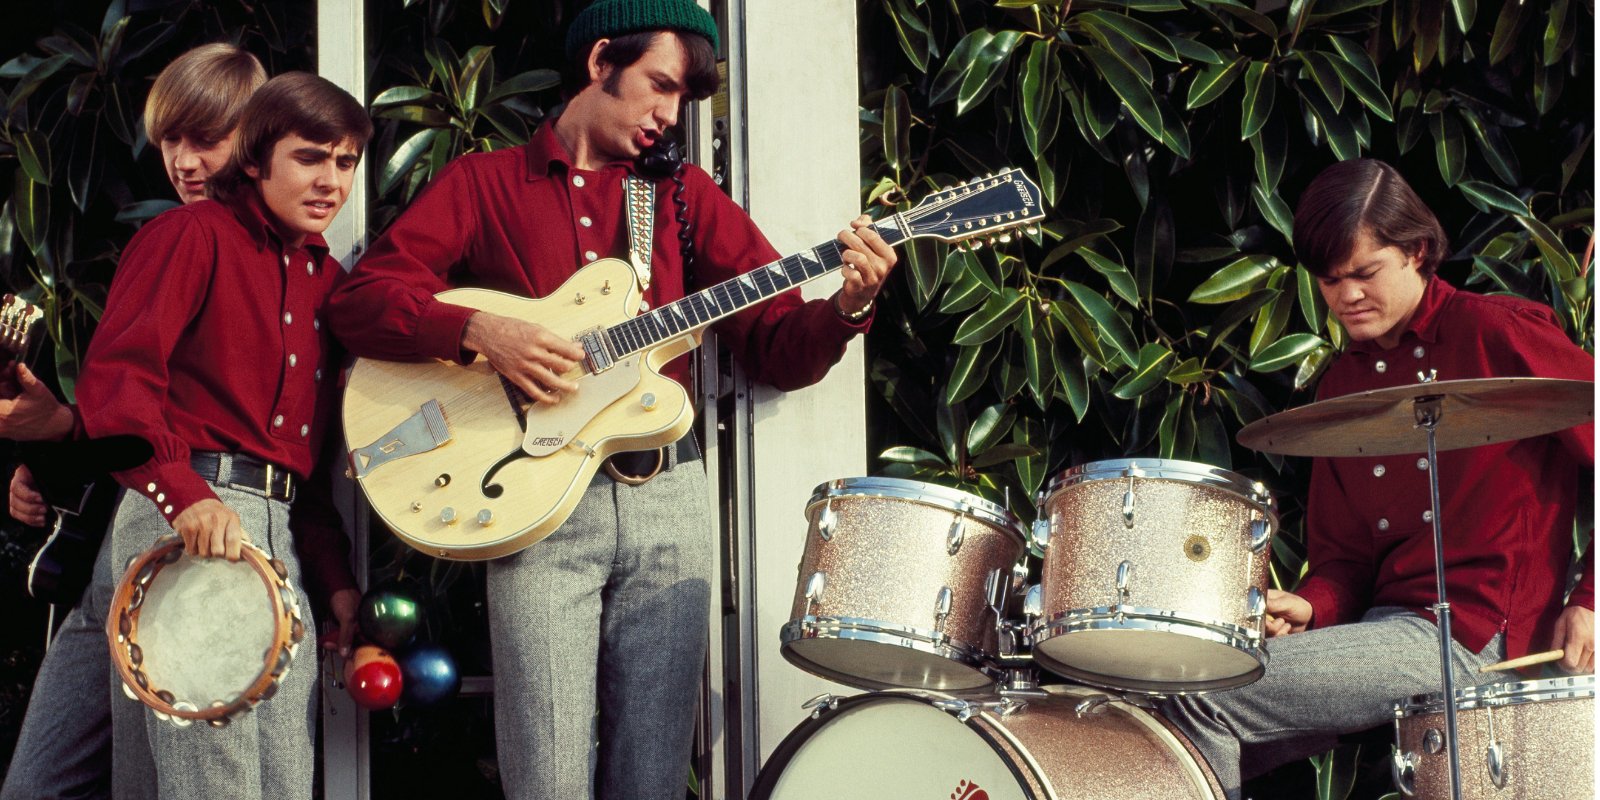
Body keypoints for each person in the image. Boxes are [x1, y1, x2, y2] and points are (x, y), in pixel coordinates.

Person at [326, 1, 898, 796]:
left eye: (684, 102)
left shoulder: (682, 197)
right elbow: (361, 302)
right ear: (601, 63)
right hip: (531, 497)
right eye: (659, 85)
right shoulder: (484, 183)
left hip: (669, 496)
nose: (669, 115)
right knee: (545, 768)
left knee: (654, 771)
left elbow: (773, 343)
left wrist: (846, 310)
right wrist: (480, 330)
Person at [1162, 158, 1594, 799]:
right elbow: (1346, 561)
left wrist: (1589, 601)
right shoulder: (1342, 388)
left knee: (1209, 693)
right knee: (1149, 723)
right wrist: (1310, 605)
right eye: (1330, 281)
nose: (1347, 296)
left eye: (1365, 273)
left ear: (1418, 251)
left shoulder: (1497, 335)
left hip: (1476, 634)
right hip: (1383, 634)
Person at [68, 71, 371, 800]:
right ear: (257, 158)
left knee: (282, 783)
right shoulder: (189, 234)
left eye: (346, 161)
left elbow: (308, 471)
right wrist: (183, 493)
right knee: (217, 783)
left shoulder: (329, 286)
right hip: (188, 511)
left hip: (279, 535)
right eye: (310, 158)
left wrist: (334, 584)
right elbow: (118, 382)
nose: (331, 180)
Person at [0, 44, 271, 800]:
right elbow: (128, 406)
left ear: (254, 137)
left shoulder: (237, 246)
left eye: (203, 139)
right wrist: (51, 449)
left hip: (191, 528)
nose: (183, 162)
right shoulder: (179, 236)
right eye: (168, 142)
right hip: (138, 532)